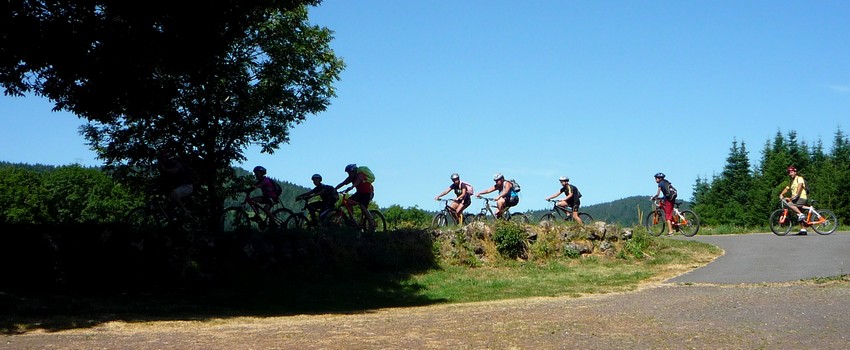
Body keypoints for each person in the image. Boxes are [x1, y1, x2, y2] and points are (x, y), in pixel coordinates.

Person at [334, 163, 376, 228]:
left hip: (368, 193)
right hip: (359, 193)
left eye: (349, 172)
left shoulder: (360, 175)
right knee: (348, 202)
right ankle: (352, 220)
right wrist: (334, 189)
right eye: (348, 173)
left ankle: (372, 223)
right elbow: (343, 183)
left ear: (354, 171)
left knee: (362, 206)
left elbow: (358, 181)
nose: (349, 174)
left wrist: (352, 187)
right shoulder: (351, 177)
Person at [156, 149, 194, 216]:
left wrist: (166, 170)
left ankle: (185, 211)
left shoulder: (173, 163)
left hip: (187, 186)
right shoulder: (164, 167)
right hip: (179, 186)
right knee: (168, 198)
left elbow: (176, 170)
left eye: (161, 159)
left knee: (174, 193)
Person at [779, 165, 809, 235]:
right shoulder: (791, 181)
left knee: (790, 205)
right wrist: (781, 194)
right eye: (789, 172)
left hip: (801, 197)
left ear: (795, 172)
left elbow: (800, 185)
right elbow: (787, 188)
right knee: (798, 215)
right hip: (797, 198)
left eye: (791, 172)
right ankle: (803, 230)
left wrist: (796, 194)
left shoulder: (799, 178)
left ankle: (801, 214)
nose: (790, 174)